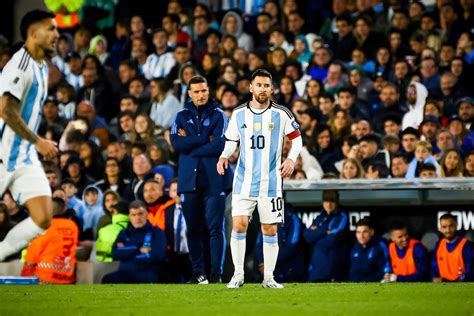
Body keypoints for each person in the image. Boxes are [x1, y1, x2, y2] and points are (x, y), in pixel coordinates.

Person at [217, 69, 302, 289]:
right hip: (243, 181)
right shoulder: (238, 114)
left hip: (271, 183)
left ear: (271, 88)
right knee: (239, 225)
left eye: (267, 85)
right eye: (259, 85)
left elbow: (297, 139)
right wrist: (224, 156)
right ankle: (237, 274)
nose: (263, 89)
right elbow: (231, 141)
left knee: (270, 229)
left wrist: (291, 159)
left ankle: (269, 278)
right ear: (251, 87)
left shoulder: (282, 113)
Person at [0, 10, 60, 261]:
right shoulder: (19, 65)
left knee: (44, 217)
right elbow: (5, 110)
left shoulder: (42, 66)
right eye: (51, 29)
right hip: (3, 155)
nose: (57, 35)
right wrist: (39, 141)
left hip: (24, 157)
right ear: (33, 33)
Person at [171, 75, 233, 284]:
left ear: (209, 91)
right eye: (196, 91)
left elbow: (220, 145)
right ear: (189, 94)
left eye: (204, 90)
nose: (201, 94)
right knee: (193, 229)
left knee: (215, 228)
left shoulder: (219, 115)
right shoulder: (180, 116)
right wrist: (204, 139)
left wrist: (191, 145)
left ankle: (216, 274)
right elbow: (176, 145)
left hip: (215, 179)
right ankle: (199, 274)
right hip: (189, 180)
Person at [102, 200, 167, 284]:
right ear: (129, 216)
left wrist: (126, 251)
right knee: (107, 279)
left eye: (140, 214)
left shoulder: (157, 232)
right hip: (125, 273)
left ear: (146, 214)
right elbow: (115, 253)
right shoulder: (124, 233)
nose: (137, 218)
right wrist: (139, 250)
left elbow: (158, 255)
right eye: (134, 215)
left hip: (147, 272)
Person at [21, 197, 79, 284]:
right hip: (66, 280)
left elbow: (34, 251)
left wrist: (24, 277)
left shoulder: (44, 226)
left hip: (44, 279)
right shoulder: (72, 226)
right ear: (63, 209)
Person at [303, 190, 348, 283]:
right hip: (317, 266)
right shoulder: (320, 217)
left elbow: (333, 239)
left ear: (336, 202)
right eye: (326, 201)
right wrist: (324, 231)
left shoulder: (342, 216)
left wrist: (317, 233)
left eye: (332, 201)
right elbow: (307, 236)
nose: (329, 204)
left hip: (334, 266)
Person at [255, 204, 305, 283]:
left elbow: (292, 246)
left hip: (289, 269)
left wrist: (270, 263)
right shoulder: (266, 217)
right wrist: (263, 262)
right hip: (267, 267)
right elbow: (258, 244)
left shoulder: (291, 217)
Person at [432, 213, 473, 282]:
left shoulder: (466, 245)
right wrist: (435, 278)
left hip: (461, 286)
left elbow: (471, 271)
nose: (448, 230)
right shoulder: (439, 245)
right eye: (444, 227)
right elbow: (434, 268)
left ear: (456, 225)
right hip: (443, 286)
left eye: (451, 226)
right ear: (440, 229)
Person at [349, 218, 391, 282]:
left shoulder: (380, 246)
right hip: (354, 287)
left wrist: (365, 281)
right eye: (358, 232)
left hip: (373, 287)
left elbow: (385, 272)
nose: (361, 236)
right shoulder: (355, 247)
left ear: (372, 232)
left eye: (365, 232)